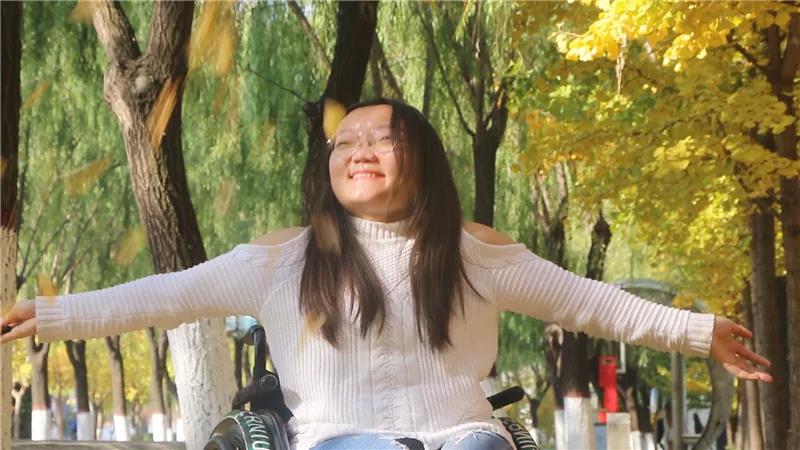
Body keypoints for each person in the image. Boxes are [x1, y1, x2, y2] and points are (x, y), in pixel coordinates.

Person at [1, 98, 772, 450]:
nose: (359, 149)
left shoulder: (474, 251)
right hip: (339, 441)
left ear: (422, 160)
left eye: (382, 137)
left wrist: (699, 332)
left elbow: (590, 303)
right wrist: (50, 313)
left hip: (465, 436)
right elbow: (165, 296)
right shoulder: (282, 259)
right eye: (346, 142)